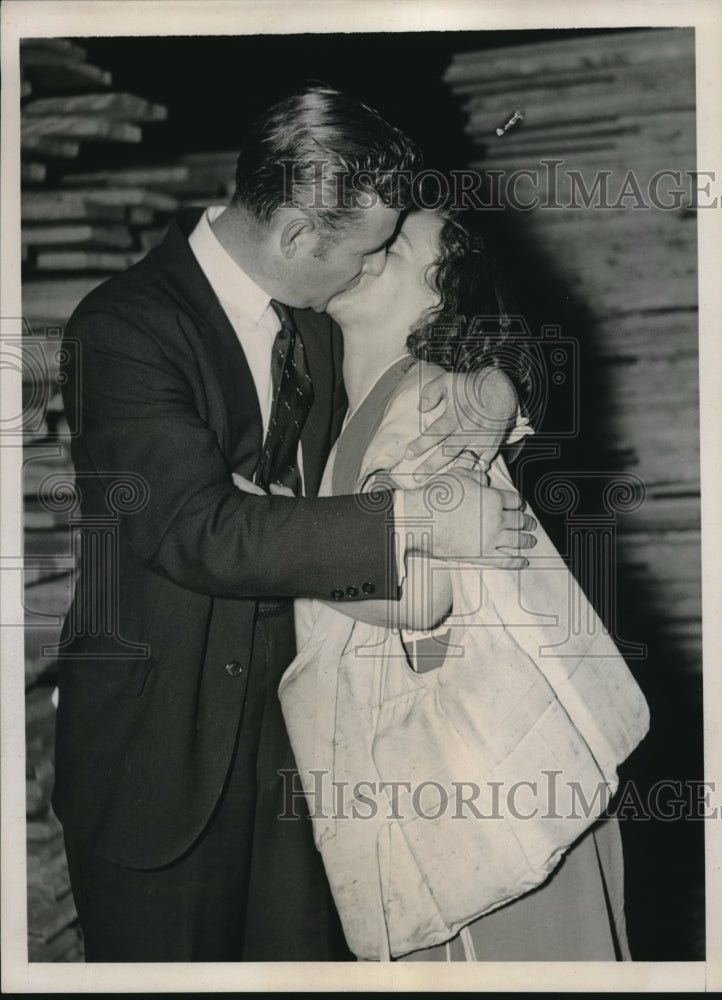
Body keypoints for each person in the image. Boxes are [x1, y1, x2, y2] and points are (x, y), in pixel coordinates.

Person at [52, 86, 536, 962]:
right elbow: (198, 531)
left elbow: (440, 382)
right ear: (298, 238)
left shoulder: (316, 327)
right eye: (367, 250)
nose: (371, 268)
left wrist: (492, 397)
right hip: (159, 767)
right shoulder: (124, 327)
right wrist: (418, 520)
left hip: (301, 760)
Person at [278, 206, 649, 962]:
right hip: (456, 800)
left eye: (397, 241)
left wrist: (271, 543)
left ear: (447, 290)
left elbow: (423, 593)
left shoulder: (436, 393)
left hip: (487, 800)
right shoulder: (352, 416)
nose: (372, 247)